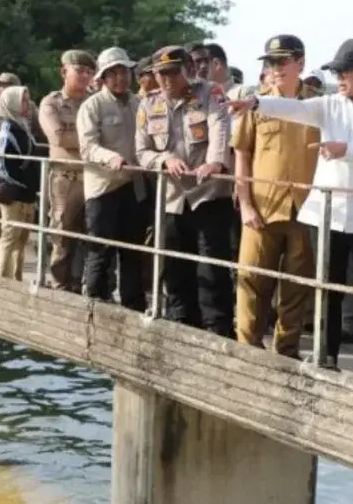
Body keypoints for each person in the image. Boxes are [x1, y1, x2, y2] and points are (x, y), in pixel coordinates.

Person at [228, 38, 353, 387]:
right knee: (325, 292)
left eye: (344, 70)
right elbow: (292, 109)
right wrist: (254, 101)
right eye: (335, 71)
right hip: (325, 214)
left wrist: (348, 150)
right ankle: (325, 362)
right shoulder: (329, 105)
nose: (338, 77)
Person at [136, 45, 235, 337]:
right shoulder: (148, 105)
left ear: (187, 70)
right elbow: (141, 151)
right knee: (174, 264)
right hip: (171, 198)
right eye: (161, 73)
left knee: (212, 267)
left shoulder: (211, 94)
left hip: (208, 194)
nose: (167, 79)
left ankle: (217, 329)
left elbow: (220, 128)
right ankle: (180, 322)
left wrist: (215, 162)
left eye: (173, 72)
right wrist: (164, 158)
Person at [233, 34, 320, 358]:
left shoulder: (316, 106)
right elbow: (241, 154)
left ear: (301, 63)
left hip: (305, 207)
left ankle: (286, 350)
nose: (277, 68)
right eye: (271, 62)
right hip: (262, 206)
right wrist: (244, 204)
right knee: (251, 279)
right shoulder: (253, 105)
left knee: (297, 287)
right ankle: (248, 350)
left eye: (283, 61)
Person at [77, 47, 147, 308]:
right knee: (100, 250)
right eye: (114, 73)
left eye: (125, 72)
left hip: (134, 186)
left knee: (133, 251)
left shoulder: (140, 104)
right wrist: (111, 158)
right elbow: (87, 147)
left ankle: (133, 305)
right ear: (103, 77)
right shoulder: (91, 106)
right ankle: (93, 304)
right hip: (103, 188)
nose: (121, 78)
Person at [39, 50, 97, 293]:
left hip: (94, 177)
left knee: (92, 232)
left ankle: (83, 282)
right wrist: (93, 140)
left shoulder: (95, 101)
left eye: (88, 71)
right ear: (64, 72)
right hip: (65, 177)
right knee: (62, 232)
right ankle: (60, 282)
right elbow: (59, 136)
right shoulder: (51, 102)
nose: (84, 75)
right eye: (79, 70)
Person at [0, 86, 46, 280]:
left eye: (28, 99)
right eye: (23, 100)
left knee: (22, 239)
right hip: (14, 194)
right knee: (9, 237)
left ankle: (16, 278)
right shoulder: (8, 131)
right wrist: (21, 186)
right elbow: (4, 165)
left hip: (27, 194)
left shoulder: (22, 125)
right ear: (11, 103)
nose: (27, 104)